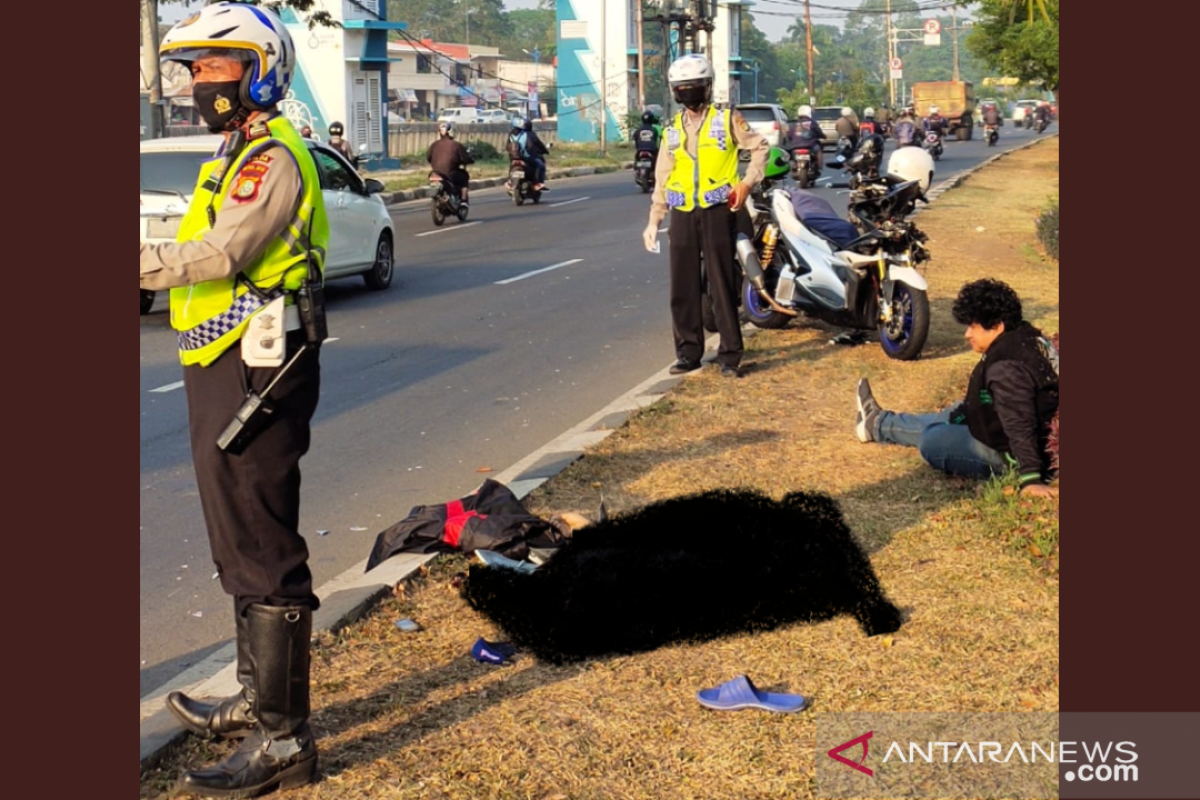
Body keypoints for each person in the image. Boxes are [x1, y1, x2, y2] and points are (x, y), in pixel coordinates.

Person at [140, 3, 328, 795]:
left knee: (261, 539)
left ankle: (287, 741)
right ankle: (258, 698)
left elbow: (225, 250)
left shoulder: (272, 156)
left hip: (260, 367)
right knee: (234, 537)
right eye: (194, 70)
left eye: (214, 68)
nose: (198, 83)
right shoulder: (234, 149)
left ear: (258, 70)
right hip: (225, 358)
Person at [854, 279, 1059, 498]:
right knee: (951, 414)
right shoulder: (1028, 337)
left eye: (973, 326)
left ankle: (878, 424)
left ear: (998, 326)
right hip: (993, 419)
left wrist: (1030, 478)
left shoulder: (1007, 368)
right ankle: (877, 423)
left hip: (1006, 452)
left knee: (933, 440)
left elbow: (1020, 421)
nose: (967, 334)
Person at [640, 53, 770, 379]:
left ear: (708, 87)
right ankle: (688, 353)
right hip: (683, 213)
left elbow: (760, 148)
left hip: (718, 211)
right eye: (682, 88)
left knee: (721, 284)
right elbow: (662, 176)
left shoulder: (727, 119)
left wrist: (746, 182)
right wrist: (655, 220)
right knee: (682, 288)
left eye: (694, 87)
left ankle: (729, 356)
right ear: (674, 92)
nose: (689, 94)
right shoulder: (671, 129)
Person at [426, 121, 474, 206]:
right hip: (450, 173)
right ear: (451, 132)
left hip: (435, 173)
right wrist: (469, 160)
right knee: (464, 176)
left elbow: (428, 158)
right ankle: (463, 200)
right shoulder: (456, 145)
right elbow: (465, 158)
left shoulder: (434, 144)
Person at [507, 116, 550, 190]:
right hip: (527, 157)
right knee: (540, 165)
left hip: (514, 158)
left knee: (511, 166)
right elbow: (537, 144)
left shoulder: (511, 134)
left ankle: (510, 181)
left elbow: (507, 147)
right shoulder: (528, 134)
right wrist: (545, 150)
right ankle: (537, 183)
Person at [788, 104, 826, 170]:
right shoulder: (812, 123)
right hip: (810, 145)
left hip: (795, 146)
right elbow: (818, 132)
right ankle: (819, 166)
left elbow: (789, 135)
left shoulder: (794, 123)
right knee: (818, 149)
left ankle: (795, 164)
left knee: (791, 153)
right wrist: (823, 136)